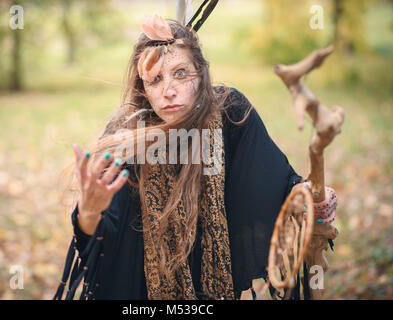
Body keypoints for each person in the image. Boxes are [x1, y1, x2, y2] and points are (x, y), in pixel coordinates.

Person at [54, 13, 337, 300]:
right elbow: (99, 243)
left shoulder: (231, 114)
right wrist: (88, 212)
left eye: (180, 73)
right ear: (144, 90)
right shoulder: (127, 137)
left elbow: (273, 182)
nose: (169, 91)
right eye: (155, 80)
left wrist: (309, 195)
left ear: (201, 73)